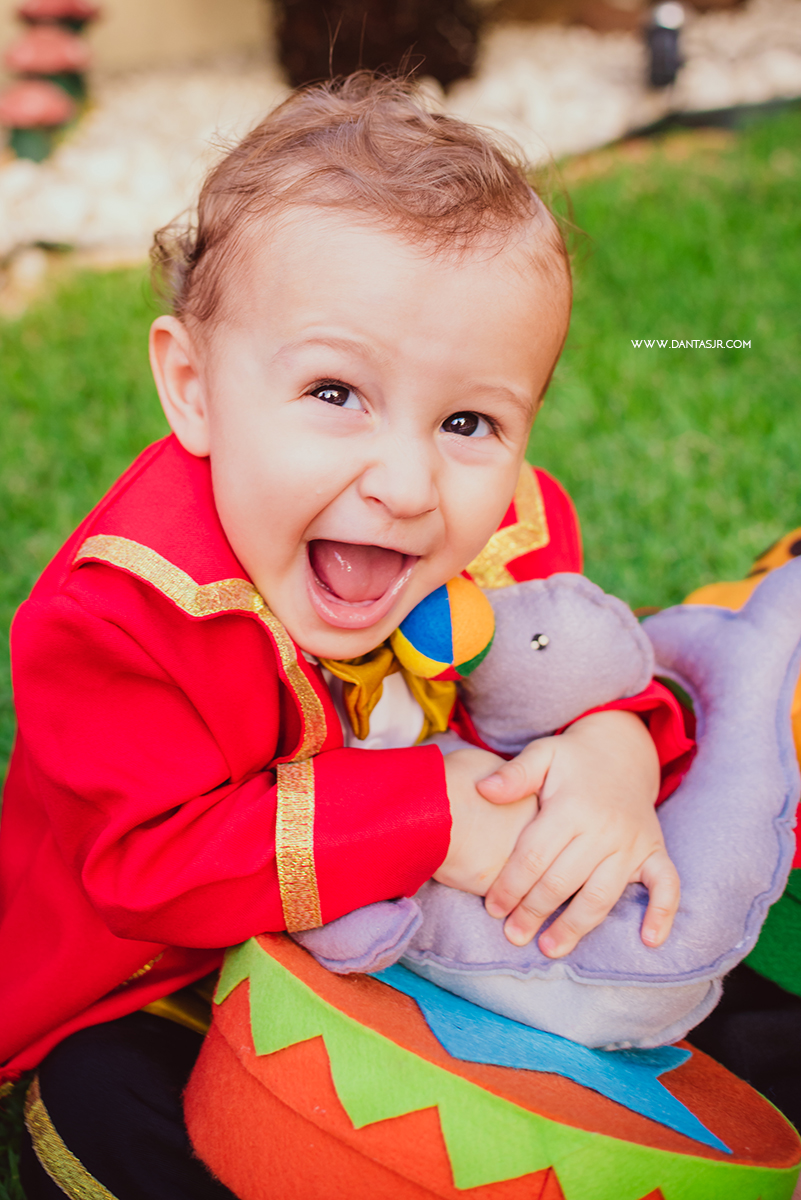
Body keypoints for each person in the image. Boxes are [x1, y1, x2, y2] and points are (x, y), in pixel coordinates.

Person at [0, 74, 694, 1199]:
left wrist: (618, 747)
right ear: (195, 390)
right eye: (336, 393)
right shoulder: (121, 615)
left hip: (423, 955)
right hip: (162, 978)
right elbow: (146, 872)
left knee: (657, 965)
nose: (410, 484)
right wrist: (433, 816)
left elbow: (569, 668)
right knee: (101, 1099)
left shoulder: (509, 528)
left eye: (470, 421)